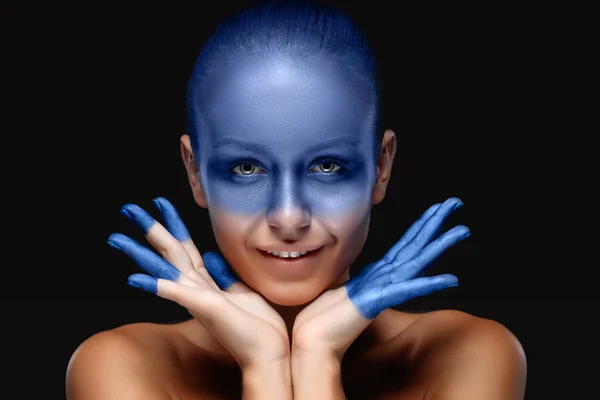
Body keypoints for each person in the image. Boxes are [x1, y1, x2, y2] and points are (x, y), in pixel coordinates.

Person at [65, 0, 527, 398]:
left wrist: (316, 358)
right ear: (195, 172)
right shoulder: (121, 365)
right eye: (247, 168)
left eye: (327, 167)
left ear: (381, 167)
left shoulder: (466, 354)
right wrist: (266, 363)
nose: (288, 216)